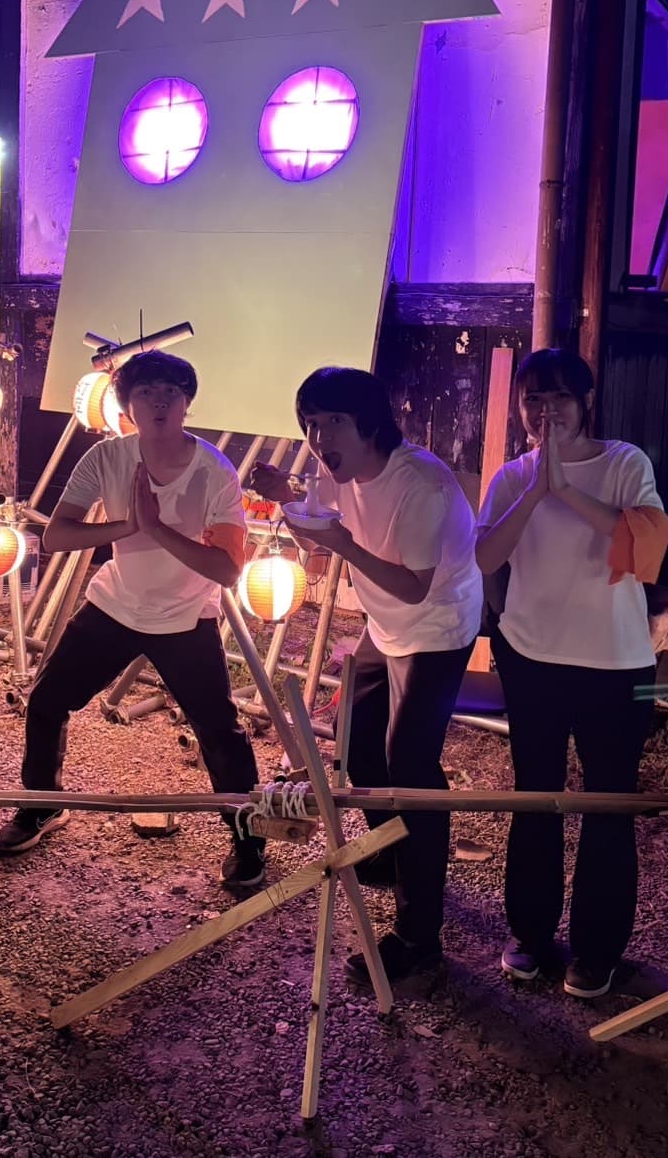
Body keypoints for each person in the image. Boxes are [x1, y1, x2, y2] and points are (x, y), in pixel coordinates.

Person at [0, 350, 266, 891]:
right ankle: (42, 805)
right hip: (116, 604)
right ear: (128, 406)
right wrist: (130, 526)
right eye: (146, 392)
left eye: (171, 391)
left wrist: (158, 528)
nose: (159, 401)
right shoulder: (108, 457)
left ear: (187, 403)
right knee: (47, 700)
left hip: (186, 614)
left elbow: (228, 570)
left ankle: (248, 839)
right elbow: (57, 535)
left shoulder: (215, 470)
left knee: (219, 730)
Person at [252, 366, 482, 986]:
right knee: (356, 744)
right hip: (385, 626)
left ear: (371, 423)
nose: (320, 436)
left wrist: (344, 544)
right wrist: (286, 498)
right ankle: (389, 853)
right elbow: (318, 533)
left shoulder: (421, 485)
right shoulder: (337, 468)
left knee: (411, 768)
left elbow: (412, 587)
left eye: (334, 421)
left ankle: (419, 935)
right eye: (311, 422)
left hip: (437, 627)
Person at [475, 348, 668, 999]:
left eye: (559, 396)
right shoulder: (511, 477)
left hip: (616, 664)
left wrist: (564, 488)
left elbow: (645, 548)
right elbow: (486, 558)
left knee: (608, 804)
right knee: (537, 797)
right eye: (532, 398)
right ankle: (530, 933)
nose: (545, 410)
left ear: (586, 402)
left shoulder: (624, 463)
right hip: (532, 659)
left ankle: (597, 948)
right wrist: (537, 488)